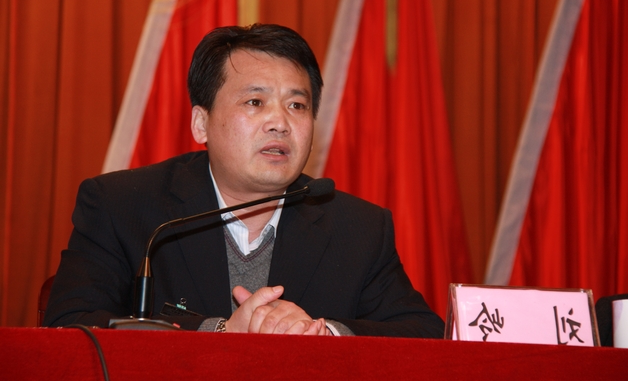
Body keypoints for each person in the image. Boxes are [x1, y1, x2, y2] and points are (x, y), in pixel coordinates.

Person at [44, 24, 445, 337]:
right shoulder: (122, 206)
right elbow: (71, 322)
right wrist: (218, 332)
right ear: (201, 123)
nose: (280, 122)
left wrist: (325, 333)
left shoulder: (358, 228)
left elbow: (424, 334)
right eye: (255, 102)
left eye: (297, 105)